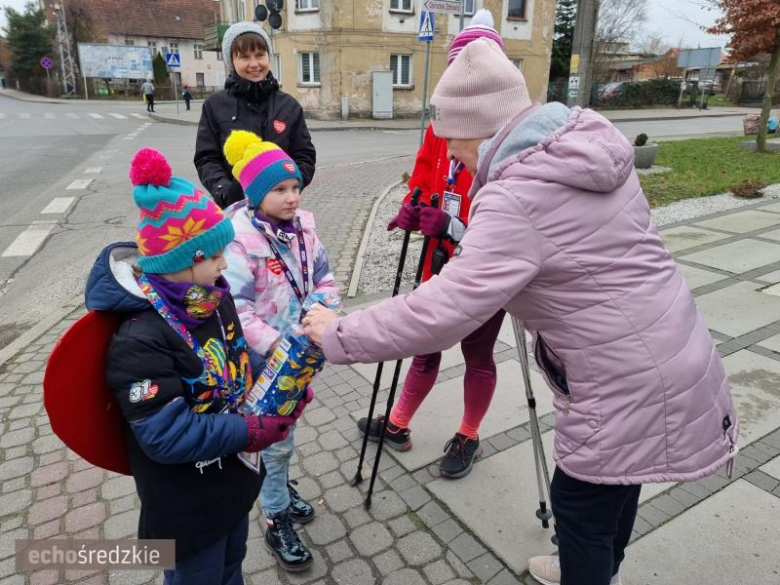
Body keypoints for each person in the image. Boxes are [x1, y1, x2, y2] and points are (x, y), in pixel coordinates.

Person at [303, 39, 739, 585]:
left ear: (478, 127)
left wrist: (337, 332)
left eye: (452, 142)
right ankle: (592, 568)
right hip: (668, 345)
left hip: (620, 375)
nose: (453, 158)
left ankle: (585, 572)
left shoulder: (518, 196)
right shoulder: (579, 145)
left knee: (580, 507)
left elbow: (443, 309)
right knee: (617, 488)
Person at [85, 147, 310, 584]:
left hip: (229, 486)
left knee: (232, 568)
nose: (225, 264)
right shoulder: (139, 340)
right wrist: (251, 430)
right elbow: (165, 435)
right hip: (184, 508)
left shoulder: (210, 298)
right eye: (214, 255)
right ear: (184, 260)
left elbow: (237, 364)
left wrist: (282, 384)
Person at [357, 9, 506, 479]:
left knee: (476, 355)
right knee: (424, 345)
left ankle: (468, 435)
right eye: (457, 66)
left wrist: (451, 224)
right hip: (437, 260)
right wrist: (411, 207)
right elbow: (425, 176)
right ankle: (398, 425)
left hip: (483, 269)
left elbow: (505, 231)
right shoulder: (441, 126)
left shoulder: (506, 135)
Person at [220, 129, 339, 572]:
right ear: (254, 194)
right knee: (276, 439)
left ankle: (278, 485)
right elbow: (237, 309)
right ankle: (275, 516)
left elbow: (323, 278)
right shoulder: (239, 241)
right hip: (265, 360)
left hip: (303, 350)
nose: (291, 198)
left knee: (286, 433)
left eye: (295, 188)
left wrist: (323, 314)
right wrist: (277, 346)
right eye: (279, 190)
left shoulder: (304, 228)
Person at [195, 22, 316, 209]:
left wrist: (287, 188)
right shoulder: (215, 105)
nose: (254, 64)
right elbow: (207, 158)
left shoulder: (289, 106)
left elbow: (304, 155)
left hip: (280, 210)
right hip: (233, 209)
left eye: (260, 55)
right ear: (231, 62)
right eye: (244, 57)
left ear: (268, 56)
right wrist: (225, 191)